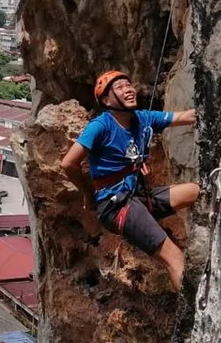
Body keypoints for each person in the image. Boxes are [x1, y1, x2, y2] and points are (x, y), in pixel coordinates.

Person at [61, 70, 200, 288]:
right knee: (174, 258)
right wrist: (88, 193)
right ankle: (194, 317)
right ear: (107, 100)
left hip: (137, 197)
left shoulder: (142, 119)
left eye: (128, 85)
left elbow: (184, 117)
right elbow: (68, 163)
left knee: (195, 191)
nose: (128, 90)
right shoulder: (102, 125)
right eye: (119, 88)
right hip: (116, 205)